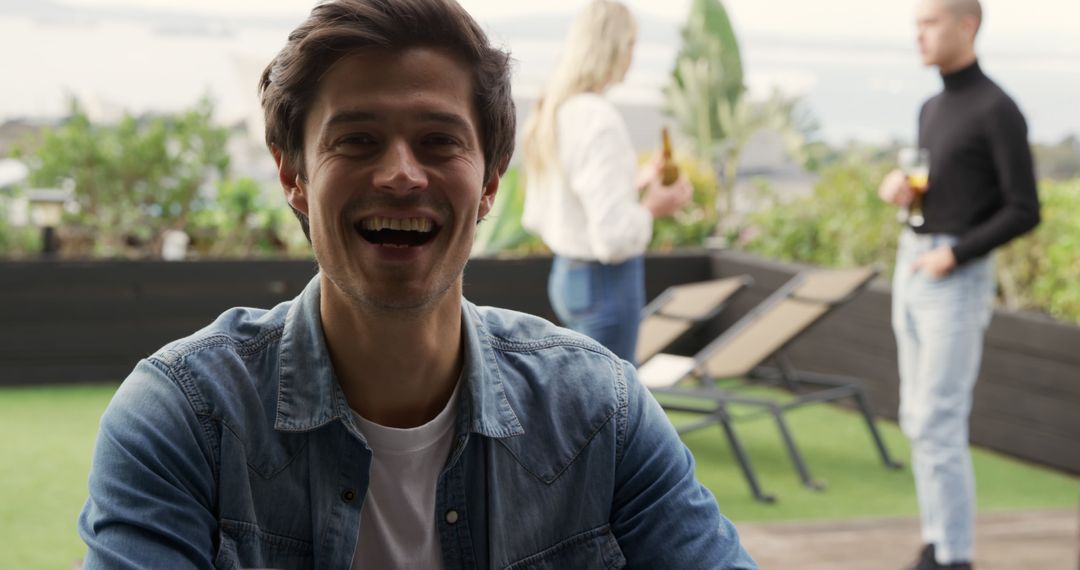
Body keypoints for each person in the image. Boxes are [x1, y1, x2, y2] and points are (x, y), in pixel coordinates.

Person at [77, 0, 757, 568]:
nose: (401, 174)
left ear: (490, 183)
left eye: (438, 142)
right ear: (293, 177)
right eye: (357, 140)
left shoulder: (598, 413)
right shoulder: (186, 421)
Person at [878, 1, 1040, 568]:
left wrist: (956, 253)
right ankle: (935, 540)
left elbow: (1024, 209)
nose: (917, 34)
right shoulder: (931, 107)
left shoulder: (998, 108)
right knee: (915, 418)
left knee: (939, 421)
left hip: (956, 276)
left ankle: (955, 557)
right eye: (916, 24)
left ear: (965, 26)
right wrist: (905, 193)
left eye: (929, 23)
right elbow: (941, 191)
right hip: (913, 266)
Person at [521, 0, 692, 363]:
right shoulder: (599, 119)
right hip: (606, 285)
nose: (633, 55)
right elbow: (613, 239)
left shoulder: (556, 109)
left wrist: (633, 183)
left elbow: (556, 206)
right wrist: (652, 208)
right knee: (610, 413)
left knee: (583, 405)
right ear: (614, 47)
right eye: (631, 44)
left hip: (568, 277)